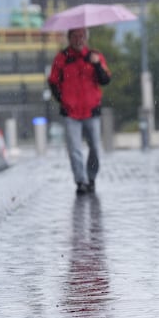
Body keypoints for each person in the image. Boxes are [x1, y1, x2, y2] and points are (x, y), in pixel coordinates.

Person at [48, 27, 111, 195]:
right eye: (75, 36)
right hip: (71, 112)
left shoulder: (94, 56)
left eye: (81, 36)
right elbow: (53, 82)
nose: (78, 39)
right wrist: (63, 100)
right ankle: (80, 181)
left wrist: (96, 64)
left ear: (86, 38)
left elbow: (105, 79)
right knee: (74, 149)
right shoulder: (61, 59)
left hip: (91, 110)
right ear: (69, 38)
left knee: (95, 148)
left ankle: (91, 177)